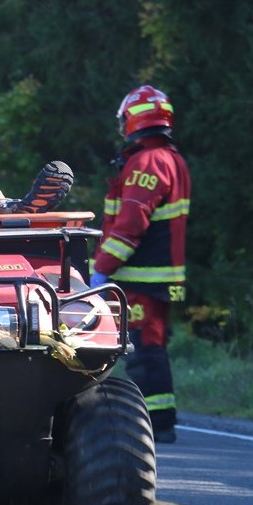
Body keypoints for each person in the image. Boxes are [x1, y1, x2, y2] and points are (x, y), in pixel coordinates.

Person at [90, 85, 190, 445]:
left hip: (140, 278)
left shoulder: (147, 162)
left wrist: (101, 268)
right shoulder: (170, 158)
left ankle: (156, 424)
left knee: (144, 350)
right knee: (151, 347)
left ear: (132, 119)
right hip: (156, 277)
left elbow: (130, 225)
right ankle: (159, 420)